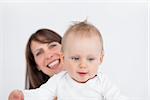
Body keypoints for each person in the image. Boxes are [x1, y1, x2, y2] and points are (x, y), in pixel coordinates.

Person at [10, 21, 128, 100]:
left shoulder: (103, 82)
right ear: (64, 57)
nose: (83, 65)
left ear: (100, 59)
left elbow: (117, 97)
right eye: (76, 58)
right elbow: (41, 94)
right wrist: (23, 95)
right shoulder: (59, 81)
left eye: (90, 59)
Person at [8, 29, 63, 100]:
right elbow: (38, 95)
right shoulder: (48, 89)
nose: (48, 56)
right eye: (39, 53)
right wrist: (22, 96)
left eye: (52, 46)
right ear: (36, 65)